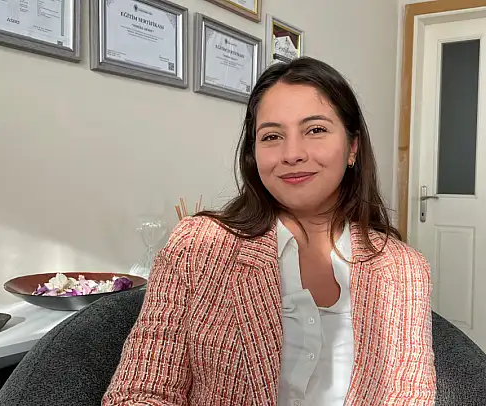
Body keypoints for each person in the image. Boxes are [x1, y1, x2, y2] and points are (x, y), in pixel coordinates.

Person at [102, 57, 436, 405]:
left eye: (315, 130)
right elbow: (141, 391)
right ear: (254, 153)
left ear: (353, 147)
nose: (292, 154)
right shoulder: (198, 247)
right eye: (272, 136)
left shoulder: (404, 270)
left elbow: (410, 395)